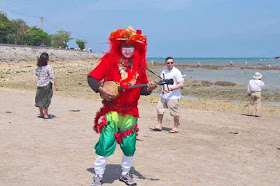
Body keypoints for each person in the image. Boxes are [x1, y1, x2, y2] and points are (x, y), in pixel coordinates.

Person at [87, 26, 157, 186]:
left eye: (130, 46)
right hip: (111, 111)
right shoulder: (109, 60)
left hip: (131, 112)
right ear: (120, 47)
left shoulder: (139, 66)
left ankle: (125, 174)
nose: (127, 49)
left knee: (129, 145)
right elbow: (92, 78)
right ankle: (98, 175)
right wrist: (101, 89)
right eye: (124, 46)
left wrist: (150, 88)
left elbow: (143, 90)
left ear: (135, 48)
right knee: (105, 143)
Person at [151, 57, 184, 133]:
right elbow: (163, 82)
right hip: (163, 96)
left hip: (173, 96)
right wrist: (162, 89)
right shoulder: (163, 72)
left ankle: (175, 127)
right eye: (168, 63)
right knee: (159, 109)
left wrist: (171, 89)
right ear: (165, 64)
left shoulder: (177, 72)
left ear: (174, 63)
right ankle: (159, 125)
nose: (170, 64)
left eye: (171, 63)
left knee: (174, 112)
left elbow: (181, 84)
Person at [35, 52, 58, 119]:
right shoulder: (48, 67)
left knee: (39, 99)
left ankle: (41, 113)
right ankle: (46, 114)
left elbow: (36, 74)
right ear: (47, 59)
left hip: (39, 84)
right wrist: (56, 85)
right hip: (46, 85)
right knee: (46, 100)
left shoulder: (38, 67)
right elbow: (52, 77)